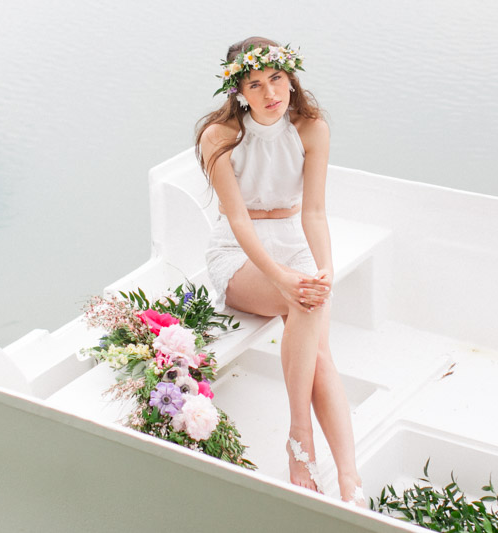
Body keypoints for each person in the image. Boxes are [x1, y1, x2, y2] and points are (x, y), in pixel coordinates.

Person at [196, 36, 365, 506]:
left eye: (276, 78)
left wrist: (325, 268)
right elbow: (237, 219)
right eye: (255, 84)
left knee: (316, 329)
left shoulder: (312, 128)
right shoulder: (219, 136)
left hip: (294, 242)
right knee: (303, 302)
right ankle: (300, 435)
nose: (271, 92)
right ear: (238, 91)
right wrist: (279, 277)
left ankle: (349, 477)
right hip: (238, 251)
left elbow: (314, 212)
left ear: (290, 77)